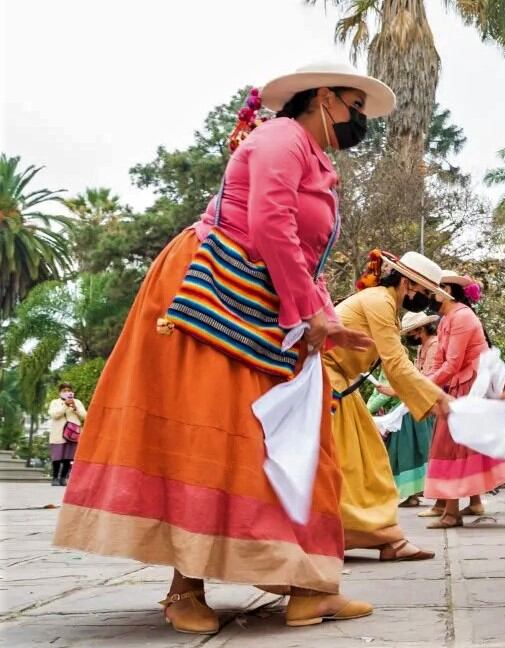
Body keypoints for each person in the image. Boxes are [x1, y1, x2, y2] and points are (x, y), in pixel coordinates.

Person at [53, 62, 391, 634]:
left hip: (262, 303)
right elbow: (269, 225)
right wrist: (310, 313)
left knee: (295, 440)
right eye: (355, 105)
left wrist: (324, 319)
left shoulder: (314, 158)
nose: (361, 119)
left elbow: (303, 254)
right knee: (211, 433)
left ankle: (308, 586)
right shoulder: (282, 137)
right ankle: (185, 587)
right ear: (326, 97)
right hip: (209, 295)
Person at [323, 251, 451, 561]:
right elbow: (396, 363)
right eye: (425, 293)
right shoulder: (379, 301)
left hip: (337, 380)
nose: (427, 301)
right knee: (354, 464)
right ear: (408, 283)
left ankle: (385, 539)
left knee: (371, 459)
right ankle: (359, 538)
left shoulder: (384, 303)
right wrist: (437, 398)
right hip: (327, 380)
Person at [423, 271, 505, 530]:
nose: (431, 292)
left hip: (476, 386)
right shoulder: (446, 319)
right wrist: (425, 384)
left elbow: (452, 363)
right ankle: (451, 511)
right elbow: (442, 363)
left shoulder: (462, 316)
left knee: (494, 441)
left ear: (449, 288)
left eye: (436, 287)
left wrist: (423, 385)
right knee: (455, 445)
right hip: (462, 386)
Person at [375, 311, 440, 508]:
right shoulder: (423, 348)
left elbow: (428, 381)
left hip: (425, 405)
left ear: (420, 330)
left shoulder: (435, 347)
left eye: (412, 332)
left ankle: (432, 495)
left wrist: (394, 392)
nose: (410, 337)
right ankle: (412, 493)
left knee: (420, 450)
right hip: (413, 404)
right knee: (405, 450)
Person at [47, 383, 87, 487]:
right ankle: (55, 477)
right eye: (64, 390)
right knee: (57, 457)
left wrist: (75, 408)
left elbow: (85, 416)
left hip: (72, 434)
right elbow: (54, 415)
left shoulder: (77, 402)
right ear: (60, 392)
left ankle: (63, 478)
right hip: (58, 433)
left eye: (69, 390)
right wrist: (65, 405)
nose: (67, 392)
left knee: (68, 458)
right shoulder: (55, 402)